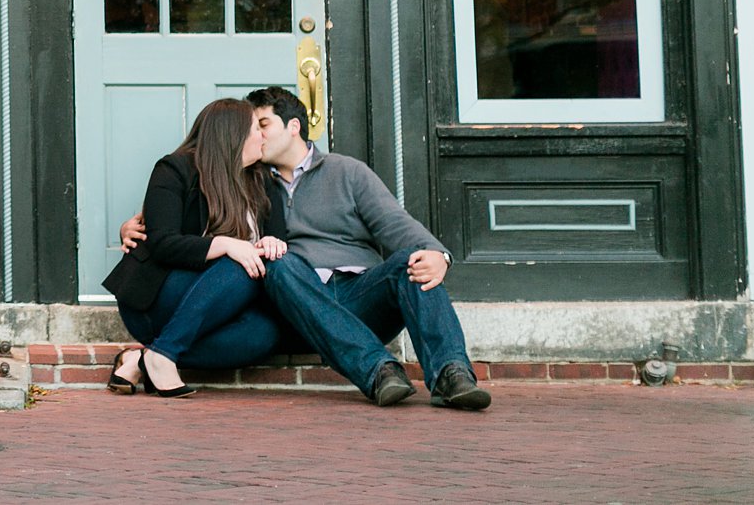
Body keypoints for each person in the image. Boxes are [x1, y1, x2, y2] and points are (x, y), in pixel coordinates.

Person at [120, 88, 493, 410]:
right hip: (293, 301)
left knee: (409, 263)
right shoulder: (250, 181)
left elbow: (395, 225)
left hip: (356, 293)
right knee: (277, 264)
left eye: (263, 125)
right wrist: (138, 226)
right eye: (254, 130)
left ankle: (451, 375)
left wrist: (438, 255)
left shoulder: (346, 173)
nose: (259, 137)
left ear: (293, 127)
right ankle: (379, 372)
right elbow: (181, 223)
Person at [102, 98, 291, 399]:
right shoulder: (175, 169)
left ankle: (147, 358)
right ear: (234, 134)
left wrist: (272, 243)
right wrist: (228, 244)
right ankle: (164, 353)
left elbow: (278, 239)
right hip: (157, 299)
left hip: (222, 308)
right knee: (240, 260)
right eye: (257, 128)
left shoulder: (263, 181)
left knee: (263, 335)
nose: (264, 135)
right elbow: (163, 244)